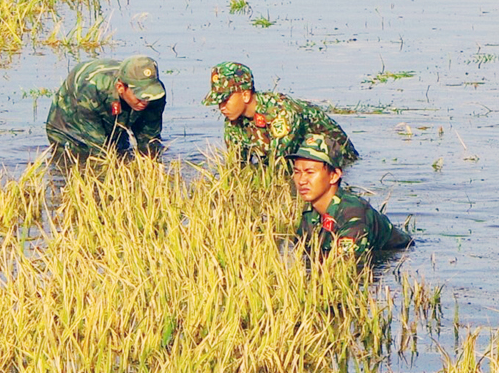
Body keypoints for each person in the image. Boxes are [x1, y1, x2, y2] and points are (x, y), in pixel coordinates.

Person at [202, 61, 358, 170]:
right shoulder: (233, 122)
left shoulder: (281, 113)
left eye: (225, 100)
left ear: (245, 95)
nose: (221, 107)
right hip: (301, 162)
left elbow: (278, 167)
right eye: (218, 102)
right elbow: (237, 166)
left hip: (337, 161)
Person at [289, 133, 411, 261]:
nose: (301, 180)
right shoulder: (310, 212)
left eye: (310, 172)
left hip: (398, 255)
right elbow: (304, 253)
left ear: (334, 175)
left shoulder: (353, 213)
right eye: (297, 172)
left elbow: (348, 268)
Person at [45, 55, 166, 161]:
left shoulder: (156, 94)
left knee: (120, 149)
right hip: (71, 120)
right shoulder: (92, 90)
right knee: (79, 159)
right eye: (139, 95)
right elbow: (99, 150)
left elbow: (150, 139)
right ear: (120, 87)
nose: (145, 101)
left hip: (116, 108)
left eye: (149, 94)